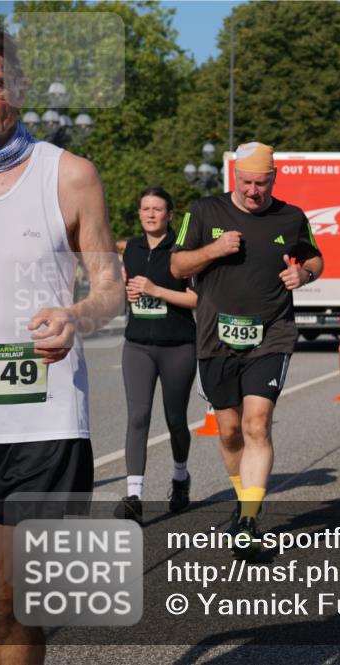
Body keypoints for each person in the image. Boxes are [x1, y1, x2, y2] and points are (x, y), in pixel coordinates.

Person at [0, 18, 122, 664]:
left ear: (20, 88)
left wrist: (75, 315)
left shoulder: (70, 175)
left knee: (10, 600)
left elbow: (110, 288)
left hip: (43, 422)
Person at [171, 141, 323, 556]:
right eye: (247, 182)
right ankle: (243, 498)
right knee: (230, 429)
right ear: (234, 177)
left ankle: (250, 519)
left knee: (257, 422)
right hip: (215, 336)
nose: (255, 191)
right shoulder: (204, 212)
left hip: (272, 332)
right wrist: (213, 250)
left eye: (262, 183)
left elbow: (315, 259)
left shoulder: (290, 217)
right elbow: (177, 266)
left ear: (273, 179)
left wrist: (304, 276)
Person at [115, 187, 198, 524]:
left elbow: (197, 300)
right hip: (137, 345)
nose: (151, 214)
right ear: (139, 213)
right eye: (145, 208)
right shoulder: (131, 249)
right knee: (138, 417)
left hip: (178, 346)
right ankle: (134, 495)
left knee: (175, 419)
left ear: (169, 215)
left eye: (158, 209)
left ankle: (180, 477)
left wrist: (155, 290)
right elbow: (127, 291)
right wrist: (125, 290)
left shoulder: (183, 250)